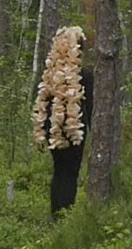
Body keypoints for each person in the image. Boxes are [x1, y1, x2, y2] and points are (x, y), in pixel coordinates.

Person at [33, 26, 94, 219]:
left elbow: (43, 103)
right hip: (74, 129)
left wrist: (42, 130)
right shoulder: (84, 75)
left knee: (59, 171)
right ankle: (65, 215)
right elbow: (91, 106)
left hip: (53, 130)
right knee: (70, 173)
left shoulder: (50, 75)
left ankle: (56, 214)